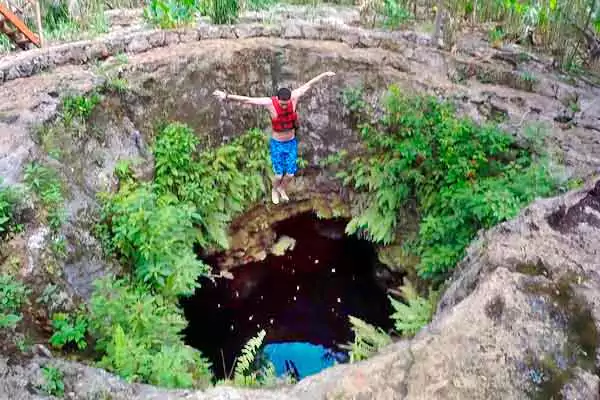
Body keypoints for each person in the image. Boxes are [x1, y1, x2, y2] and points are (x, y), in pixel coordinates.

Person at [212, 71, 336, 204]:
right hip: (278, 143)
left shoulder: (294, 97)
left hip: (291, 143)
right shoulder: (269, 103)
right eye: (282, 104)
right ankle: (274, 189)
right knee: (278, 174)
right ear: (278, 99)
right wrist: (226, 96)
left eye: (286, 103)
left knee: (290, 174)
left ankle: (282, 189)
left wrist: (324, 74)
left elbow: (309, 84)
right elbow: (247, 99)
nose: (284, 106)